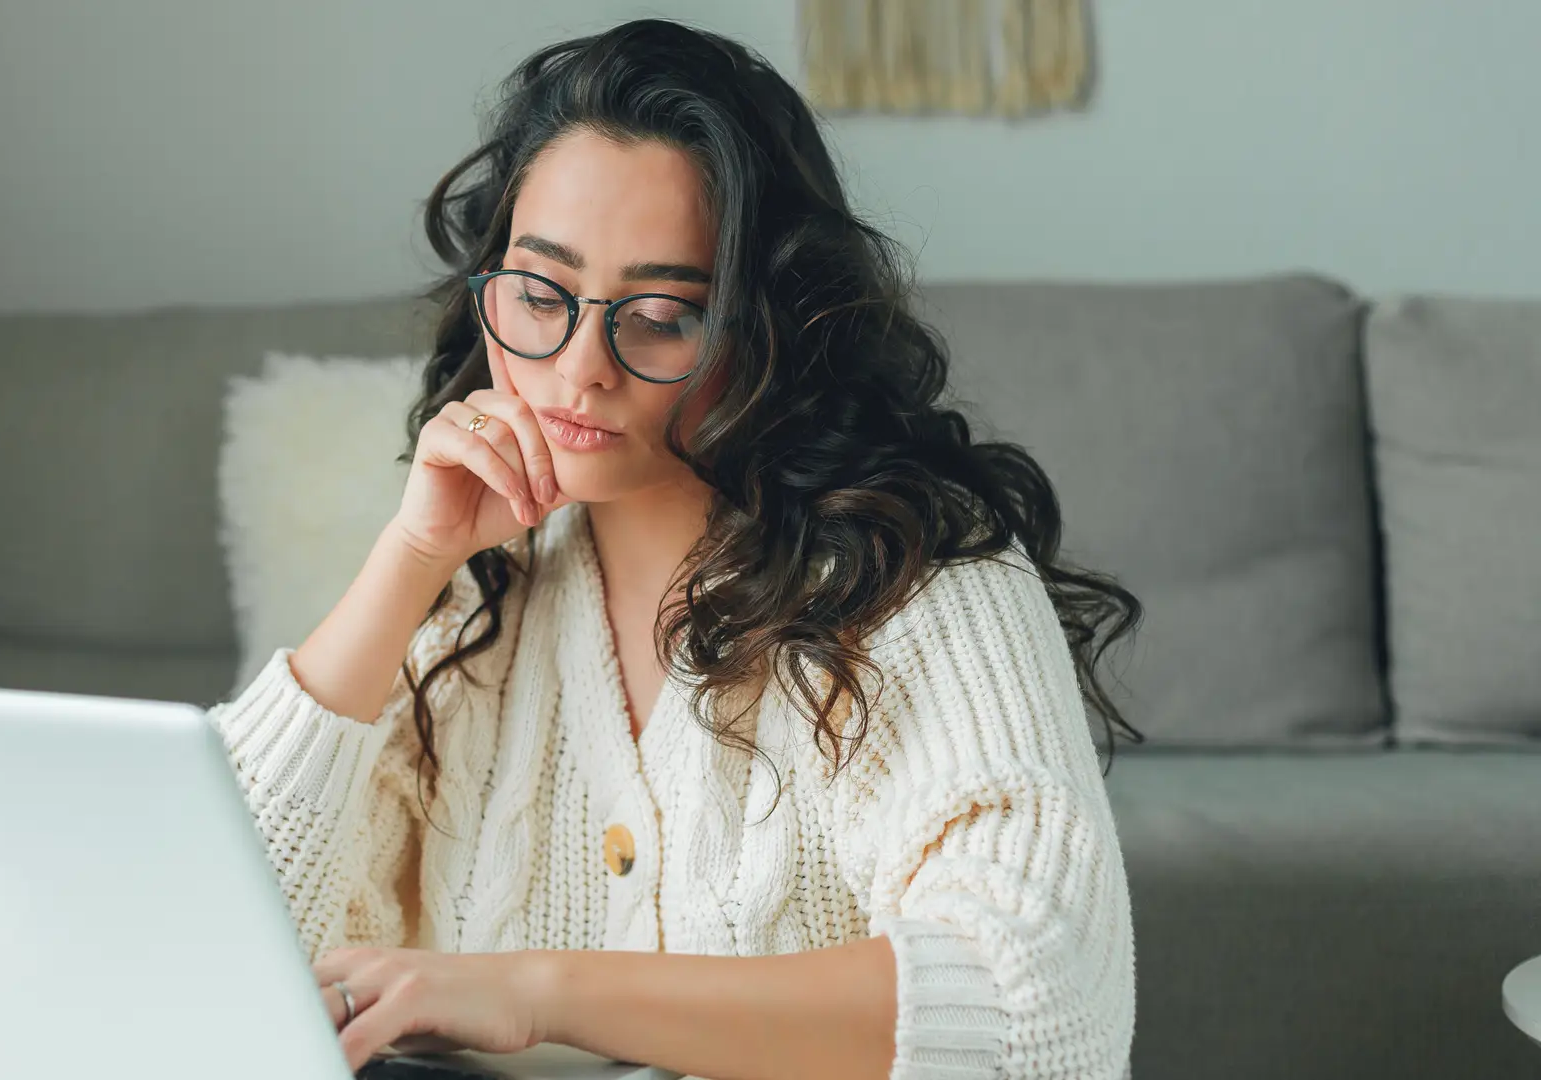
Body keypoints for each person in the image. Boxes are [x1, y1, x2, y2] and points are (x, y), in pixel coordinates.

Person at [209, 18, 1141, 1080]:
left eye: (657, 316)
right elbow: (203, 929)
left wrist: (536, 990)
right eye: (539, 293)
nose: (578, 367)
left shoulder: (921, 580)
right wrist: (409, 560)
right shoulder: (474, 583)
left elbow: (1042, 1002)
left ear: (767, 324)